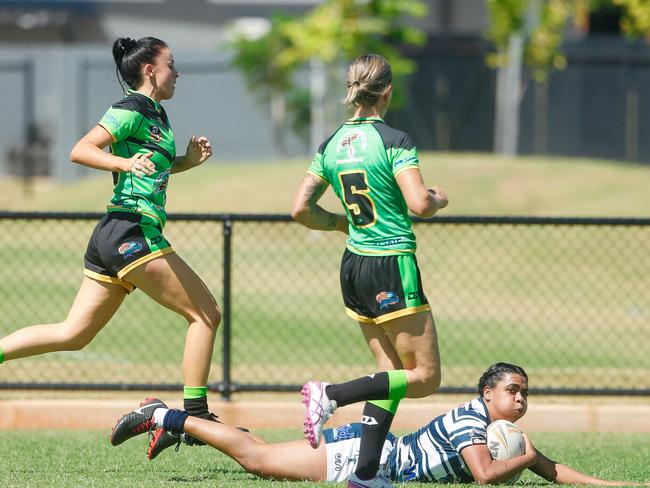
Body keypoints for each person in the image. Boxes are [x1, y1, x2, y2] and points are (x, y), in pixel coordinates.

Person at [0, 37, 220, 459]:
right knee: (205, 314)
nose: (178, 72)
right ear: (151, 71)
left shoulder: (157, 114)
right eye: (172, 64)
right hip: (131, 231)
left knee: (74, 334)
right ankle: (195, 417)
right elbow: (81, 150)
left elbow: (151, 164)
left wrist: (185, 162)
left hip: (115, 234)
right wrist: (121, 163)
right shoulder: (131, 108)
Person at [289, 54, 449, 487]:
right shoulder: (394, 140)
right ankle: (332, 395)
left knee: (390, 373)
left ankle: (364, 474)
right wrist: (438, 198)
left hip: (353, 266)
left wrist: (343, 223)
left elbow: (300, 209)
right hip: (391, 263)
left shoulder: (330, 144)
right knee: (425, 377)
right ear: (388, 91)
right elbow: (418, 204)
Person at [110, 362, 646, 486]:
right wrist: (524, 458)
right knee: (258, 461)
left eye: (525, 393)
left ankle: (176, 423)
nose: (521, 399)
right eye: (513, 391)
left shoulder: (492, 427)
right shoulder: (473, 425)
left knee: (262, 452)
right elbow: (486, 475)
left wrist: (606, 484)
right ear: (489, 394)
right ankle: (163, 412)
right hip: (368, 456)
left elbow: (547, 468)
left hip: (377, 450)